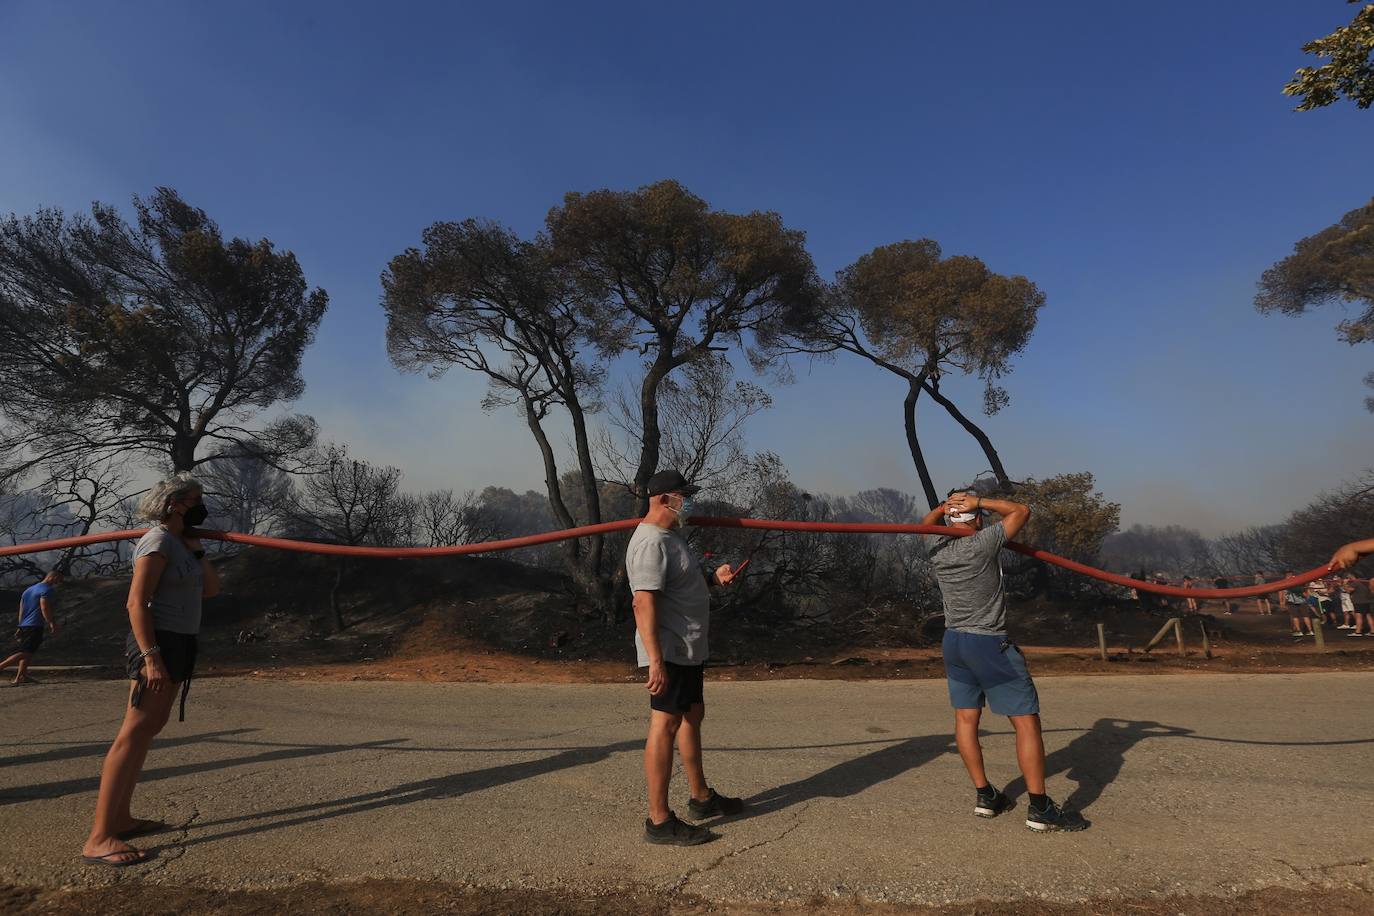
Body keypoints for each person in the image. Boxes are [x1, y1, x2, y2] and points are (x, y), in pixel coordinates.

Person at [920, 487, 1087, 833]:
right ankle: (1040, 807)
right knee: (1026, 722)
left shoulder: (936, 546)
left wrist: (944, 508)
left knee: (966, 719)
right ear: (977, 519)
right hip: (988, 643)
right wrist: (978, 501)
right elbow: (1021, 511)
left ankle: (986, 796)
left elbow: (925, 524)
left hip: (954, 641)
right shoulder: (982, 544)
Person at [81, 475, 220, 867]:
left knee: (147, 730)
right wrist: (151, 657)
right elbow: (135, 603)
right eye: (195, 499)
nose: (201, 506)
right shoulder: (156, 542)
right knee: (133, 732)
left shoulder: (180, 544)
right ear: (175, 504)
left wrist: (197, 550)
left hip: (180, 642)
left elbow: (211, 589)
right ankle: (99, 838)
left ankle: (121, 820)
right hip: (158, 642)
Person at [626, 469, 744, 846]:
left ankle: (701, 798)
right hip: (670, 649)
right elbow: (643, 603)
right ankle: (658, 820)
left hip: (688, 647)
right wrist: (656, 660)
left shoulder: (671, 537)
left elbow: (681, 582)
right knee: (665, 724)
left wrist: (713, 579)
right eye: (683, 496)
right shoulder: (650, 543)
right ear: (664, 499)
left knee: (692, 715)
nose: (688, 502)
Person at [1, 570, 62, 685]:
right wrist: (51, 622)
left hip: (25, 625)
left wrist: (20, 625)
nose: (58, 582)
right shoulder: (47, 590)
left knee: (28, 651)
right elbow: (44, 607)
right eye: (59, 579)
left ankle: (21, 676)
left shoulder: (28, 590)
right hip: (35, 625)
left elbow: (22, 609)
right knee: (25, 652)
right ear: (53, 577)